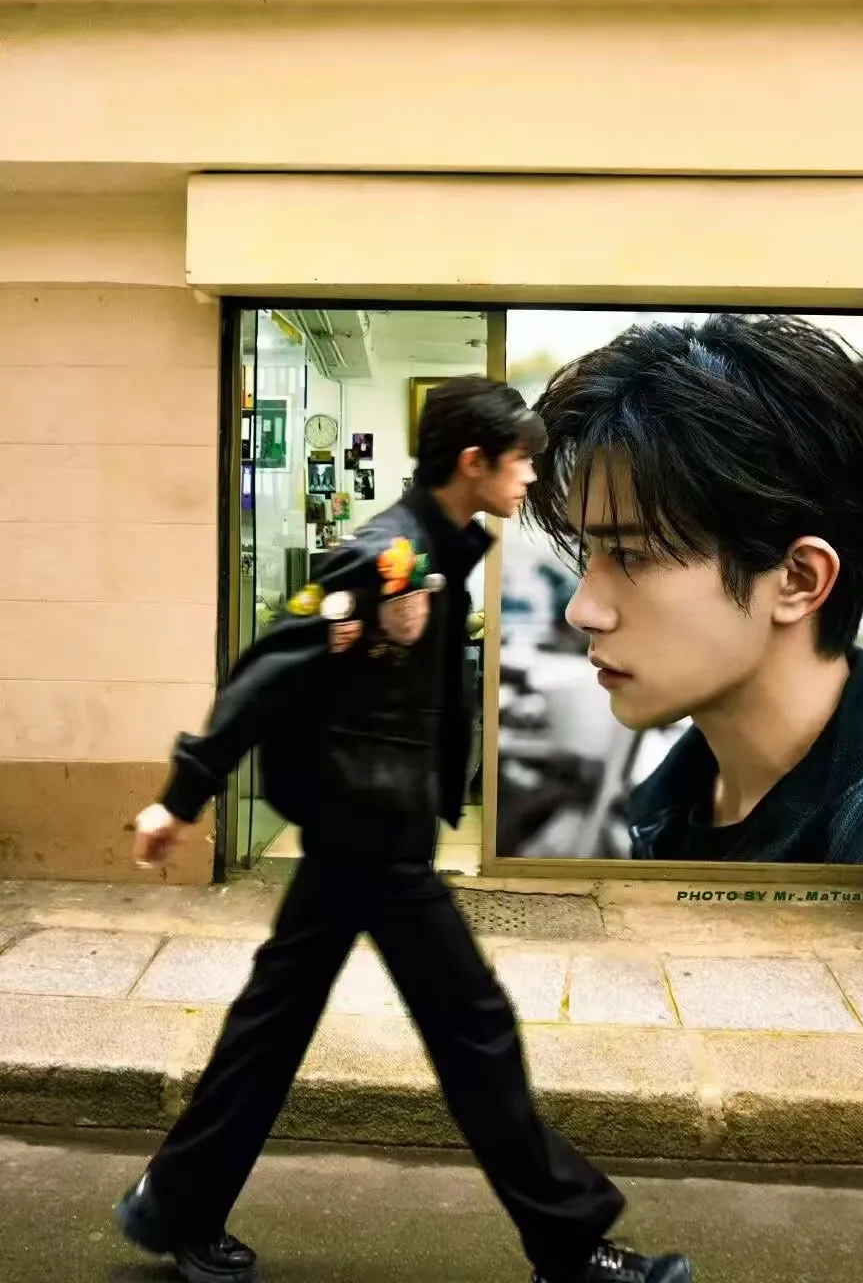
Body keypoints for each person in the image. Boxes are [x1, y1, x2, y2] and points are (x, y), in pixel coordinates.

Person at [114, 374, 693, 1283]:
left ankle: (173, 1206)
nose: (529, 476)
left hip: (369, 834)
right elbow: (270, 669)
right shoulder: (387, 554)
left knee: (275, 1026)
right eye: (521, 461)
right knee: (474, 1032)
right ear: (473, 461)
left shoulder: (434, 548)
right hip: (369, 842)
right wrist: (181, 795)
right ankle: (572, 1249)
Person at [525, 314, 863, 866]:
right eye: (587, 553)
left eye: (630, 554)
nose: (582, 611)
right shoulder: (670, 801)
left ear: (798, 580)